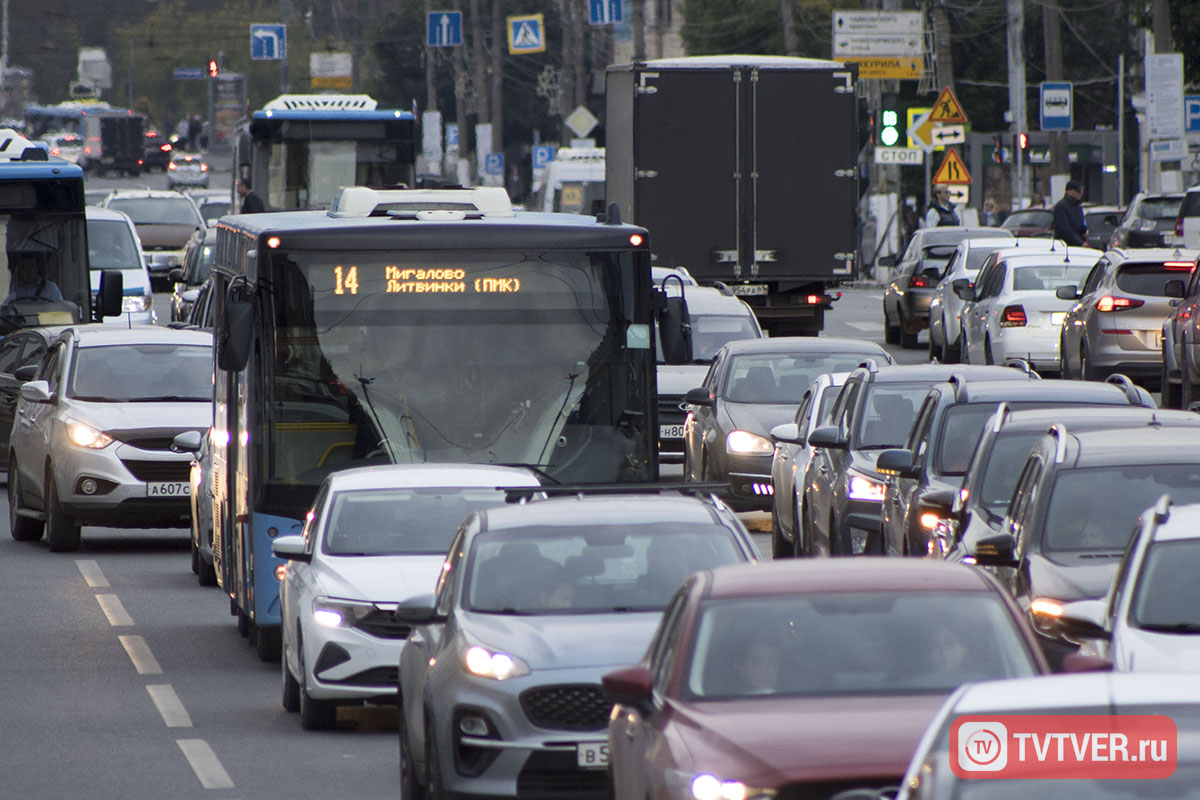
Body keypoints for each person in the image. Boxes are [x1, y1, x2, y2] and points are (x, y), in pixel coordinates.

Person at [1052, 180, 1088, 246]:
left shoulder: (1077, 206)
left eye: (1081, 191)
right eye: (1077, 191)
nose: (1080, 193)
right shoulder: (1061, 206)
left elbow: (1080, 226)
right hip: (1065, 246)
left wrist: (1084, 233)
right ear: (1068, 191)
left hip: (1078, 245)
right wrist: (1080, 242)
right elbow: (1064, 229)